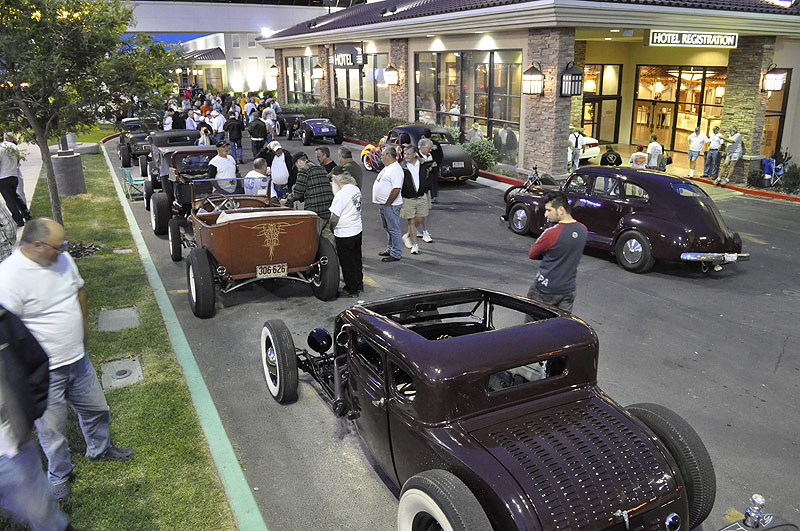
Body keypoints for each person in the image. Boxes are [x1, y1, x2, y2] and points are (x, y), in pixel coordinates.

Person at [0, 219, 134, 502]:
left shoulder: (61, 260)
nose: (63, 251)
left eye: (65, 245)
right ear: (36, 245)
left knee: (97, 408)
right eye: (57, 247)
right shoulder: (9, 277)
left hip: (78, 359)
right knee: (53, 431)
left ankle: (100, 449)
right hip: (45, 372)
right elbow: (9, 332)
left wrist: (83, 334)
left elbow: (79, 290)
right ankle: (60, 475)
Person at [0, 306, 71, 530]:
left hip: (10, 448)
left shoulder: (3, 319)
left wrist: (29, 412)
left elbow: (35, 359)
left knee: (45, 518)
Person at [526, 191, 588, 314]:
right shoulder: (583, 230)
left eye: (549, 210)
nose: (545, 214)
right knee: (560, 327)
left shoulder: (551, 233)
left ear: (560, 210)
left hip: (545, 290)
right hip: (568, 290)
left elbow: (532, 254)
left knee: (533, 328)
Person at [282, 153, 334, 240]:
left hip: (315, 212)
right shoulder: (321, 168)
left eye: (296, 166)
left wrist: (286, 201)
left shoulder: (304, 170)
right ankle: (331, 253)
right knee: (328, 240)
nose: (297, 169)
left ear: (299, 162)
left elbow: (298, 192)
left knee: (311, 239)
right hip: (328, 210)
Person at [329, 168, 363, 297]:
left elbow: (334, 217)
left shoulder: (341, 195)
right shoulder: (355, 189)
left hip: (345, 233)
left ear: (337, 180)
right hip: (357, 230)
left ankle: (351, 289)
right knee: (356, 260)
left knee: (347, 262)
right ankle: (358, 283)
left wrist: (331, 229)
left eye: (332, 179)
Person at [372, 146, 404, 262]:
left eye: (382, 155)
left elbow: (396, 189)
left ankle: (395, 253)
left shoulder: (395, 169)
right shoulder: (389, 167)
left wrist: (388, 203)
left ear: (388, 156)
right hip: (385, 204)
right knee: (388, 228)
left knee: (394, 229)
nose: (380, 157)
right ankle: (390, 249)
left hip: (391, 205)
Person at [399, 146, 432, 256]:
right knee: (411, 221)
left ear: (414, 154)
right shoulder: (402, 167)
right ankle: (414, 245)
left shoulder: (423, 165)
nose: (405, 156)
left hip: (421, 197)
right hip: (408, 199)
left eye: (408, 154)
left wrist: (426, 189)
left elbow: (428, 177)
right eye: (405, 154)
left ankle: (406, 236)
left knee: (420, 219)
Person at [0, 133, 31, 227]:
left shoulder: (1, 148)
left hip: (3, 178)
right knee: (15, 196)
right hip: (13, 175)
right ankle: (26, 213)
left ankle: (18, 220)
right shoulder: (14, 146)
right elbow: (18, 161)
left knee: (10, 201)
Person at [421, 128, 442, 203]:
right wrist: (437, 163)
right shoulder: (436, 143)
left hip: (426, 165)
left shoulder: (422, 144)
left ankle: (425, 196)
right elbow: (440, 154)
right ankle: (434, 196)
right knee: (434, 181)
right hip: (435, 165)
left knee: (425, 180)